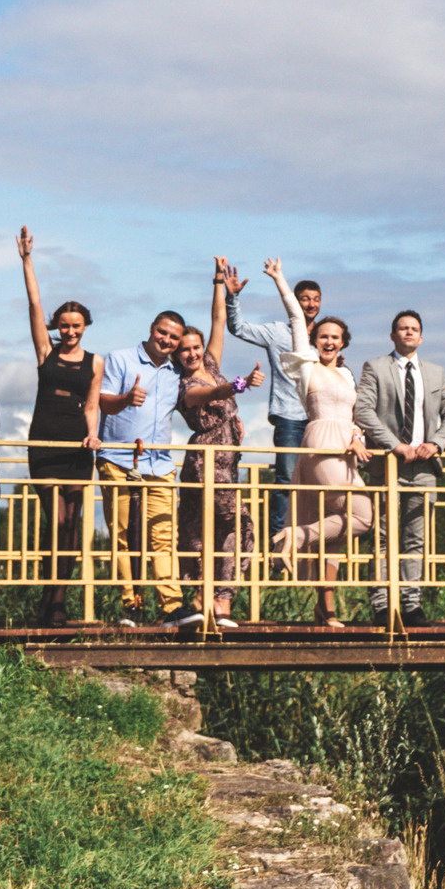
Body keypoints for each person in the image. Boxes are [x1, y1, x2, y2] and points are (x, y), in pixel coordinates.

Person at [261, 259, 372, 629]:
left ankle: (327, 610)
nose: (328, 342)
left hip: (347, 445)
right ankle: (295, 534)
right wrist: (280, 281)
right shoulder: (307, 366)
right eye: (323, 336)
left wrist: (357, 436)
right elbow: (295, 318)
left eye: (334, 338)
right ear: (315, 341)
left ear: (343, 343)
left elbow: (355, 416)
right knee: (362, 516)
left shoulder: (345, 372)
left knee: (338, 534)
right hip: (322, 443)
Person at [94, 293, 198, 629]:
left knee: (164, 536)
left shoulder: (175, 372)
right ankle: (132, 605)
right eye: (162, 333)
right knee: (124, 535)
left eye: (173, 337)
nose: (166, 340)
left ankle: (172, 607)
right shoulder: (121, 359)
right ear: (151, 329)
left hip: (160, 463)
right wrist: (127, 398)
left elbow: (212, 352)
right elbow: (104, 403)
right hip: (118, 458)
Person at [354, 307, 445, 623]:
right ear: (392, 335)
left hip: (425, 467)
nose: (408, 332)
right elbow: (363, 410)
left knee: (417, 538)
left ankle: (411, 605)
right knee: (383, 535)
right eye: (402, 328)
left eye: (414, 328)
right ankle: (383, 604)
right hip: (388, 465)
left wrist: (437, 443)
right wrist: (394, 445)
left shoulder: (436, 372)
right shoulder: (375, 367)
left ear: (421, 336)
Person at [18, 229, 99, 624]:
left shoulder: (94, 362)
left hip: (78, 445)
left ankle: (57, 602)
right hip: (45, 441)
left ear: (85, 326)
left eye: (76, 325)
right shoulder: (45, 351)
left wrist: (93, 434)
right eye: (64, 325)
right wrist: (27, 260)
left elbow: (94, 405)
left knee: (72, 528)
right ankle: (49, 597)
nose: (69, 331)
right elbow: (34, 305)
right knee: (58, 521)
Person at [174, 265, 258, 631]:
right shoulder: (186, 385)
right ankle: (204, 597)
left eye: (195, 347)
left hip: (230, 461)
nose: (192, 353)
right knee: (218, 525)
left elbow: (217, 321)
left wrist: (219, 286)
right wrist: (236, 387)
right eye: (184, 350)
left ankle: (219, 601)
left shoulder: (209, 363)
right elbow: (208, 395)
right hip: (206, 461)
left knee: (225, 529)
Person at [224, 257, 320, 545]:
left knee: (319, 484)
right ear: (295, 301)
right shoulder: (278, 332)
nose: (311, 304)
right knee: (287, 479)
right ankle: (277, 546)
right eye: (305, 299)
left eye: (316, 299)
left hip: (319, 419)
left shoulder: (326, 337)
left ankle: (310, 543)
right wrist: (233, 297)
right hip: (289, 417)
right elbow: (238, 327)